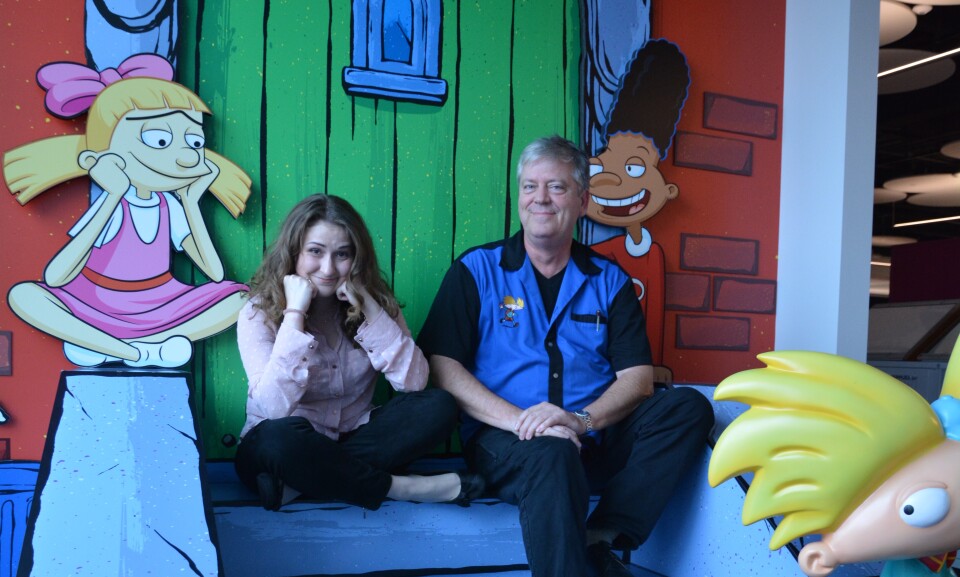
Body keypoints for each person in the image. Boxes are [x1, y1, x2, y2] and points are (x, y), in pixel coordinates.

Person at [418, 135, 714, 577]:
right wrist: (523, 422)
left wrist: (580, 420)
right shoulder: (476, 270)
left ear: (582, 200)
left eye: (556, 187)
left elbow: (637, 380)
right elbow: (441, 366)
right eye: (529, 187)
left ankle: (604, 533)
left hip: (593, 438)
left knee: (688, 406)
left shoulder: (609, 280)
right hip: (507, 445)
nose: (540, 198)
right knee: (551, 453)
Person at [234, 193, 483, 511]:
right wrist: (295, 313)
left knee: (440, 406)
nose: (328, 268)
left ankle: (300, 486)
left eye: (342, 254)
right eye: (315, 252)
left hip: (354, 438)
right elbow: (273, 409)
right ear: (294, 251)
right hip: (281, 446)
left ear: (357, 257)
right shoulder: (258, 312)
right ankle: (399, 487)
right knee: (277, 438)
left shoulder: (375, 303)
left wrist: (369, 307)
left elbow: (415, 383)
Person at [3, 54, 251, 368]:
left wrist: (190, 202)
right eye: (160, 139)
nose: (186, 155)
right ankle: (136, 353)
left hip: (157, 304)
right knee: (25, 296)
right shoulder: (113, 205)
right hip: (94, 302)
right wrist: (112, 195)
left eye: (194, 141)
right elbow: (55, 278)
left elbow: (215, 276)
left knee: (240, 298)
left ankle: (123, 346)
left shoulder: (170, 206)